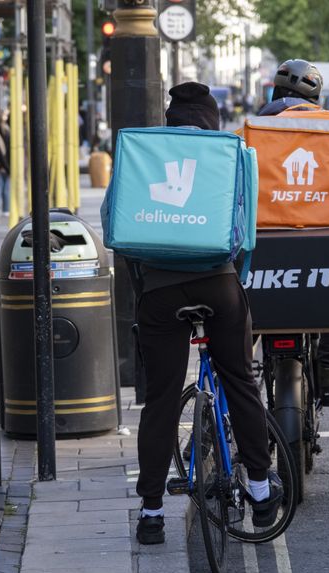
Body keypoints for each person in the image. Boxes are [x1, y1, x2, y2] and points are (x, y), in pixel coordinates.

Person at [133, 82, 283, 545]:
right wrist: (236, 275)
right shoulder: (229, 153)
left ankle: (151, 513)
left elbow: (119, 219)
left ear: (171, 120)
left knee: (160, 399)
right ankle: (260, 492)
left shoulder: (147, 153)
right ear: (212, 121)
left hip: (159, 289)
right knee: (239, 380)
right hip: (218, 282)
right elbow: (246, 229)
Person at [257, 59, 329, 406]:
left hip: (263, 244)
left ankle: (242, 379)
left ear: (274, 93)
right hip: (321, 240)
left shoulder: (251, 130)